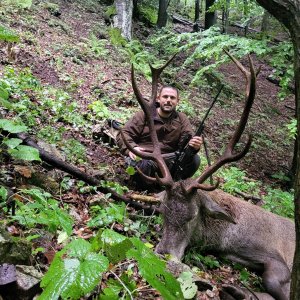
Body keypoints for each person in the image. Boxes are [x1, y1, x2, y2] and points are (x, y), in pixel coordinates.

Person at [116, 85, 203, 190]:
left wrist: (194, 146)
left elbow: (187, 141)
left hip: (169, 160)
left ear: (177, 101)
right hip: (147, 158)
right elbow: (124, 133)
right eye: (165, 97)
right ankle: (145, 190)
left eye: (172, 98)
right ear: (158, 98)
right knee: (141, 165)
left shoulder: (181, 118)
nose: (168, 100)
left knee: (194, 160)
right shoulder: (145, 114)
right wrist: (133, 148)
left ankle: (174, 186)